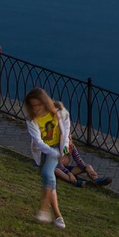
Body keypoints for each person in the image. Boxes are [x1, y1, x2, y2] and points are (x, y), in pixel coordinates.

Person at [21, 87, 70, 229]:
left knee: (47, 173)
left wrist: (63, 151)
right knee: (49, 180)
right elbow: (38, 141)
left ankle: (44, 210)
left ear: (45, 102)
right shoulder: (31, 119)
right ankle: (58, 217)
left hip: (57, 148)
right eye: (33, 106)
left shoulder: (59, 112)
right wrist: (54, 154)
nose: (36, 108)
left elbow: (66, 132)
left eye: (39, 105)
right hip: (44, 151)